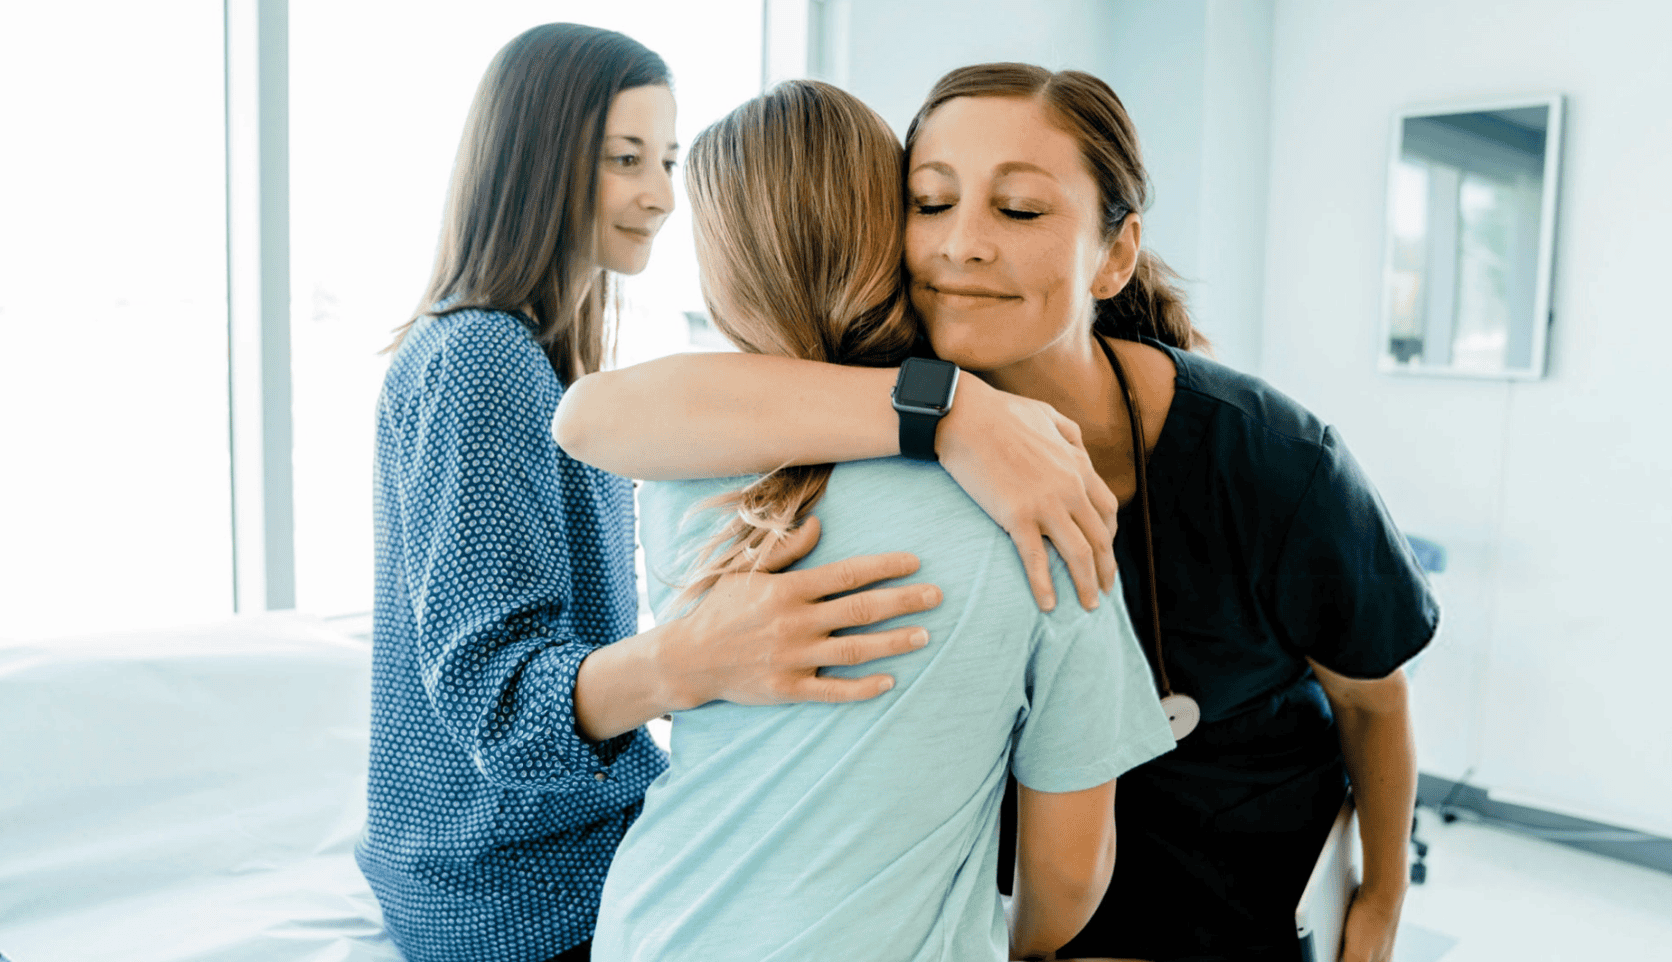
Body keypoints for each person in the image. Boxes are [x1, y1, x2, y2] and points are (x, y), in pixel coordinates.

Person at [557, 63, 1438, 962]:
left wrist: (1379, 903)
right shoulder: (851, 424)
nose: (962, 245)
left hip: (1235, 909)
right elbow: (593, 417)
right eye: (931, 203)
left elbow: (1373, 702)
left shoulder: (1272, 461)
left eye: (1019, 211)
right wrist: (953, 415)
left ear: (1117, 254)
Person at [359, 27, 1121, 962]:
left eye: (669, 162)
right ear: (534, 159)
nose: (658, 196)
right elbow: (504, 704)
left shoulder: (680, 434)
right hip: (520, 893)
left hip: (601, 877)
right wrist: (692, 660)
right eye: (624, 159)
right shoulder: (488, 359)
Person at [588, 78, 1176, 962]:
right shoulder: (1044, 505)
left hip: (656, 928)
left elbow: (594, 415)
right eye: (934, 202)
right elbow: (1070, 869)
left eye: (1014, 209)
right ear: (892, 233)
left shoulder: (685, 470)